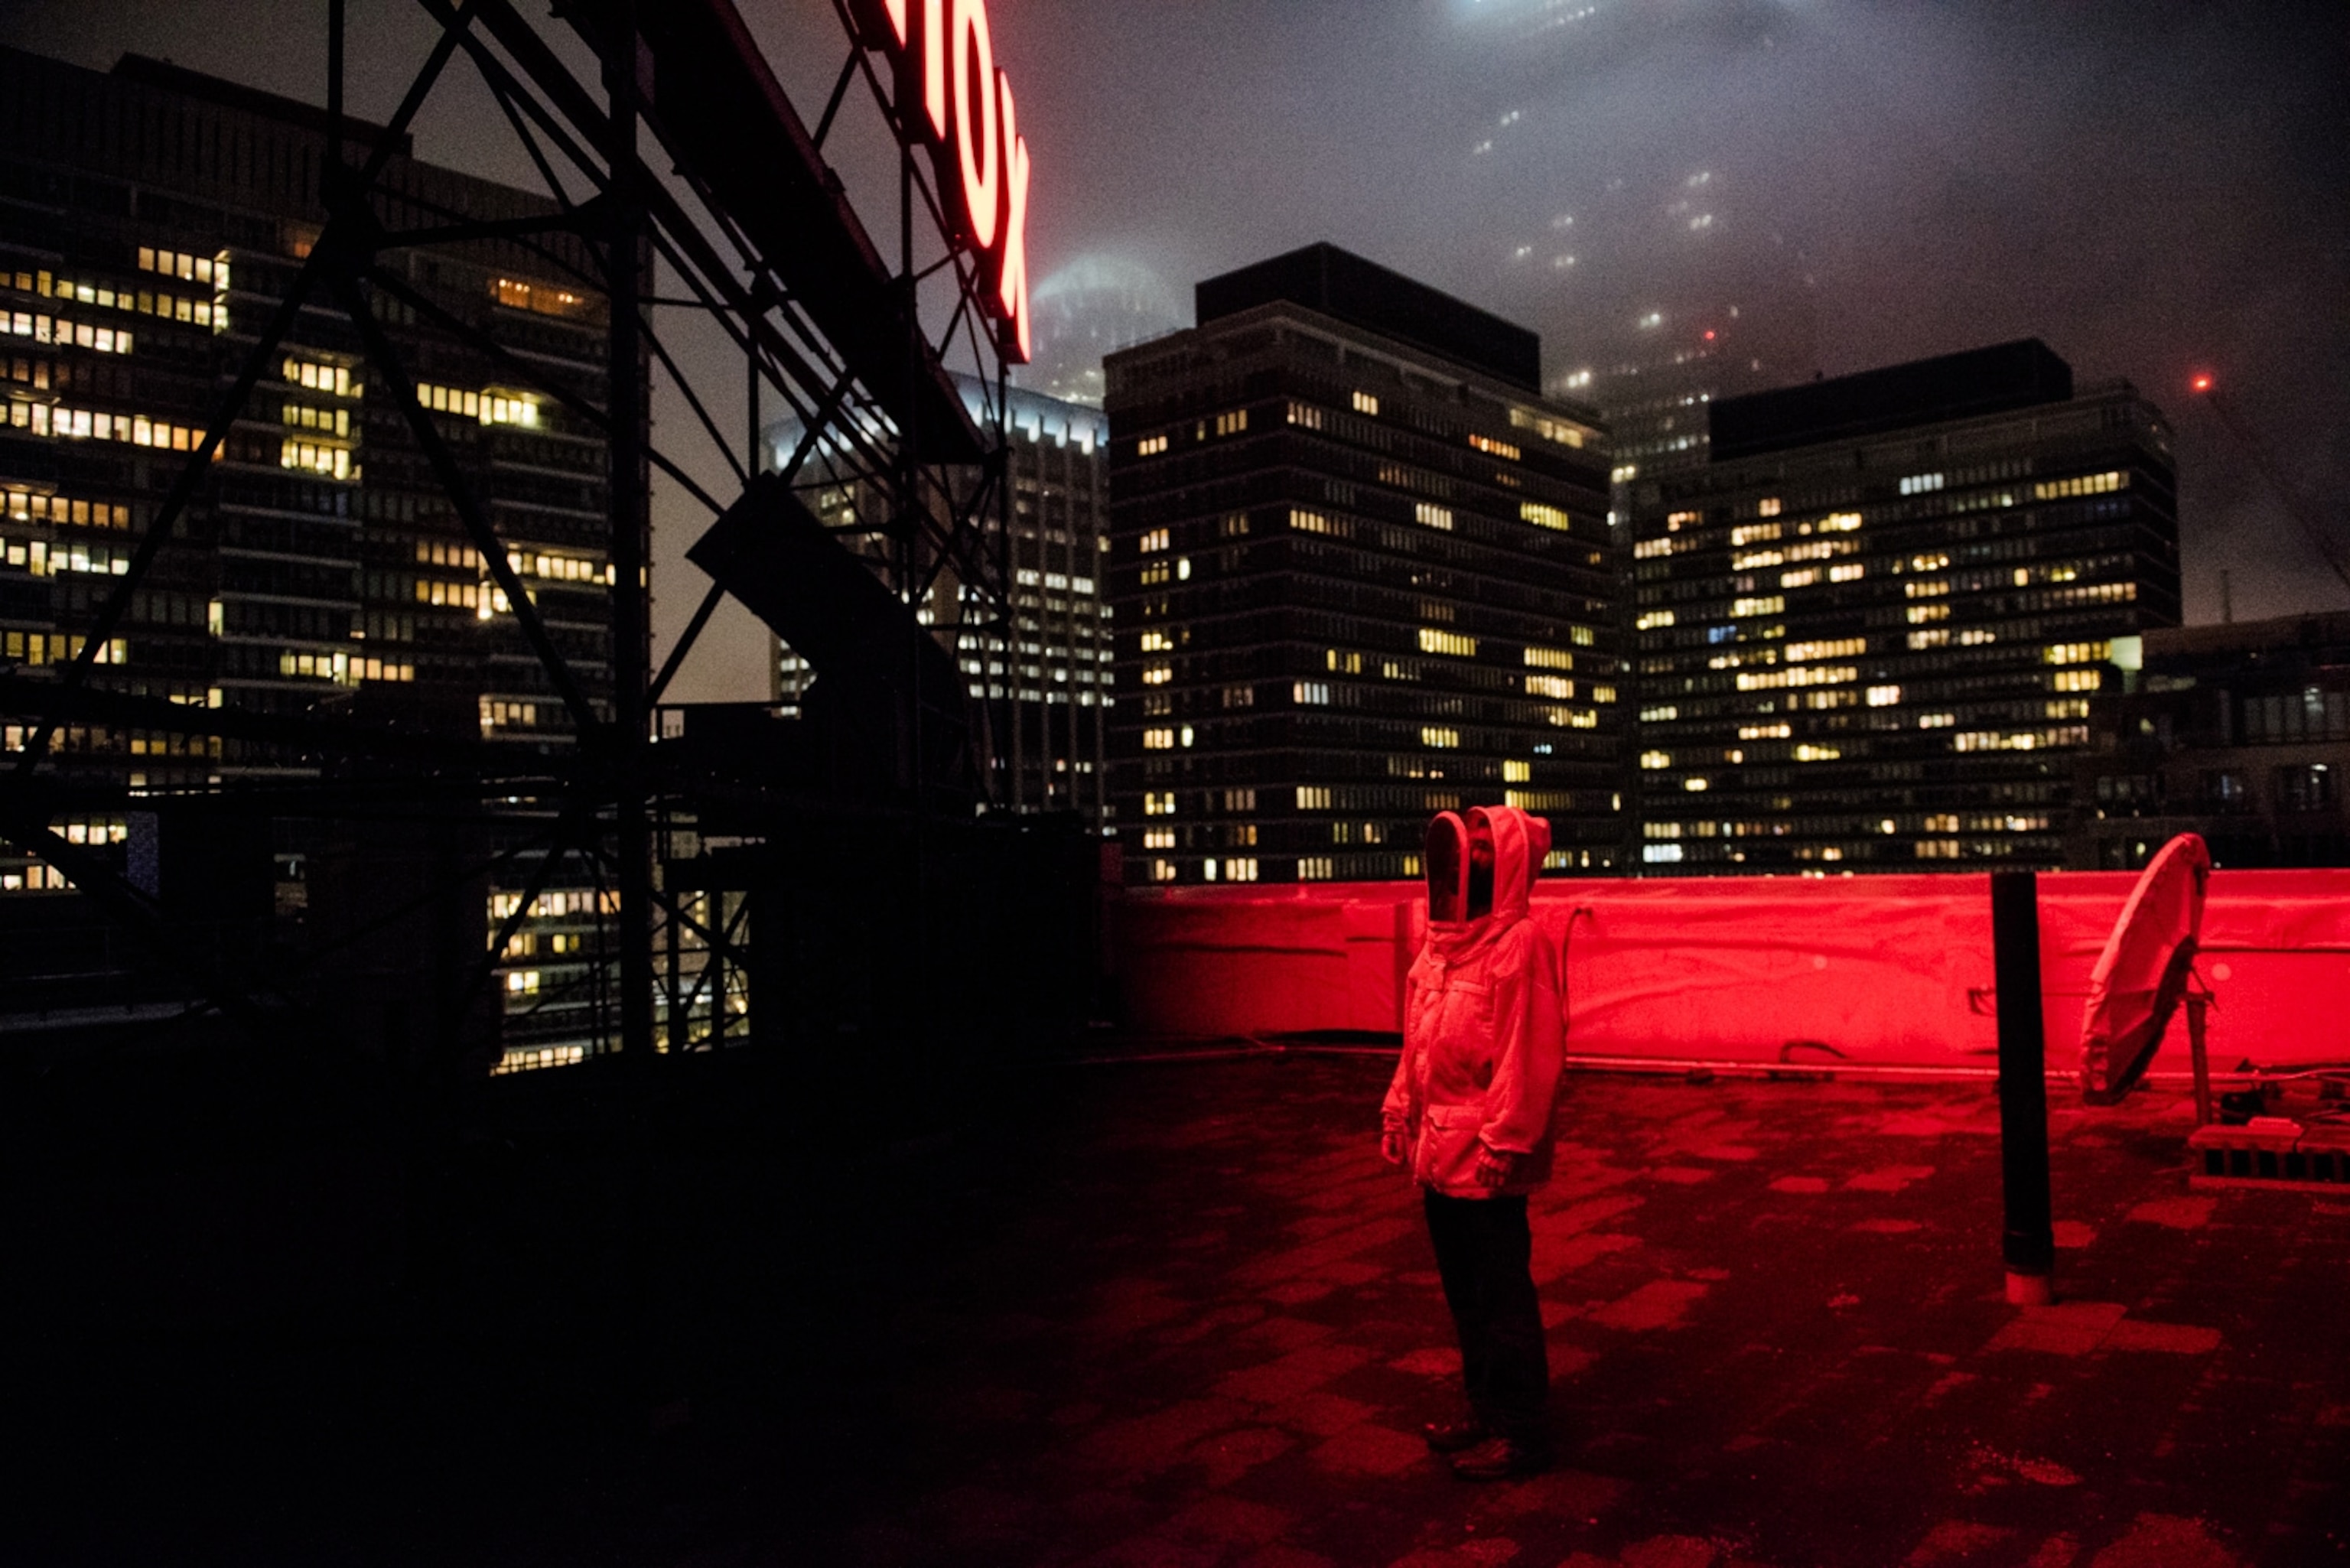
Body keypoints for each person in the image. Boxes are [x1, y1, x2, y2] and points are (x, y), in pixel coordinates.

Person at [1380, 804, 1564, 1480]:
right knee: (1467, 1295)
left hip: (1485, 1155)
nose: (1467, 861)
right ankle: (1484, 1408)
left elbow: (1530, 1053)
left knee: (1501, 1294)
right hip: (1439, 1147)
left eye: (1484, 851)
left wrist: (1507, 1139)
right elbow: (1418, 1041)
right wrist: (1400, 1110)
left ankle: (1521, 1432)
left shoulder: (1519, 945)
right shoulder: (1440, 945)